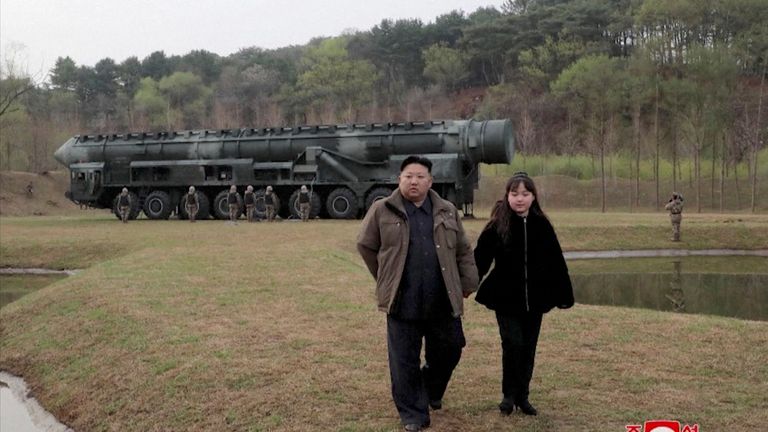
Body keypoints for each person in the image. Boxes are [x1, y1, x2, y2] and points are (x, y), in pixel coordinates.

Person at [357, 155, 478, 432]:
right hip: (403, 300)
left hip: (441, 298)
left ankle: (430, 389)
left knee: (451, 348)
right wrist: (386, 277)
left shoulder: (447, 210)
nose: (414, 181)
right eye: (408, 176)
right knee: (404, 360)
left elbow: (462, 249)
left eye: (420, 176)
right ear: (399, 179)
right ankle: (413, 414)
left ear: (430, 181)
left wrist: (468, 282)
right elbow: (365, 245)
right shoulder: (382, 209)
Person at [473, 172, 574, 417]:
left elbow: (556, 262)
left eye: (525, 194)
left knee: (528, 347)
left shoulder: (542, 225)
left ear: (533, 197)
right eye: (514, 193)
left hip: (536, 299)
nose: (520, 199)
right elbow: (480, 259)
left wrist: (564, 294)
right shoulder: (498, 225)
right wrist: (467, 284)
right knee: (513, 343)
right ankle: (508, 396)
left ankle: (523, 396)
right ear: (507, 196)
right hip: (505, 298)